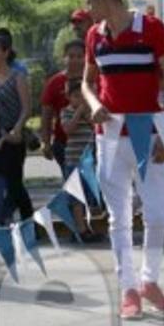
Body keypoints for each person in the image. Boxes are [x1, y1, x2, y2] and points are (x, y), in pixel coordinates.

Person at [83, 0, 164, 320]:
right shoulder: (94, 35)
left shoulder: (152, 28)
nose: (87, 9)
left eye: (90, 2)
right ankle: (128, 290)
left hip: (149, 136)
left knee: (156, 216)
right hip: (109, 138)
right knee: (118, 219)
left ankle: (149, 281)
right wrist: (93, 103)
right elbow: (86, 82)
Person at [0, 32, 34, 221]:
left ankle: (29, 221)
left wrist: (17, 129)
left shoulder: (17, 77)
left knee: (14, 182)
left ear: (5, 52)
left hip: (13, 134)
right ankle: (1, 218)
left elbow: (26, 108)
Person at [60, 79, 101, 244]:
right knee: (76, 197)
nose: (80, 101)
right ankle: (80, 229)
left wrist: (87, 113)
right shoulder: (66, 112)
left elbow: (97, 127)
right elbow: (68, 129)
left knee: (90, 195)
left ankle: (88, 226)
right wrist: (79, 113)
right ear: (69, 97)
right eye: (76, 97)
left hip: (88, 161)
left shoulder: (90, 112)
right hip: (73, 159)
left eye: (83, 97)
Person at [41, 40, 86, 179]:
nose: (75, 60)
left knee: (94, 188)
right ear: (64, 58)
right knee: (73, 185)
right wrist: (46, 142)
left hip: (90, 141)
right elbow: (46, 114)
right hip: (64, 143)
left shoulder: (94, 79)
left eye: (80, 56)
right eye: (71, 56)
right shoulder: (55, 82)